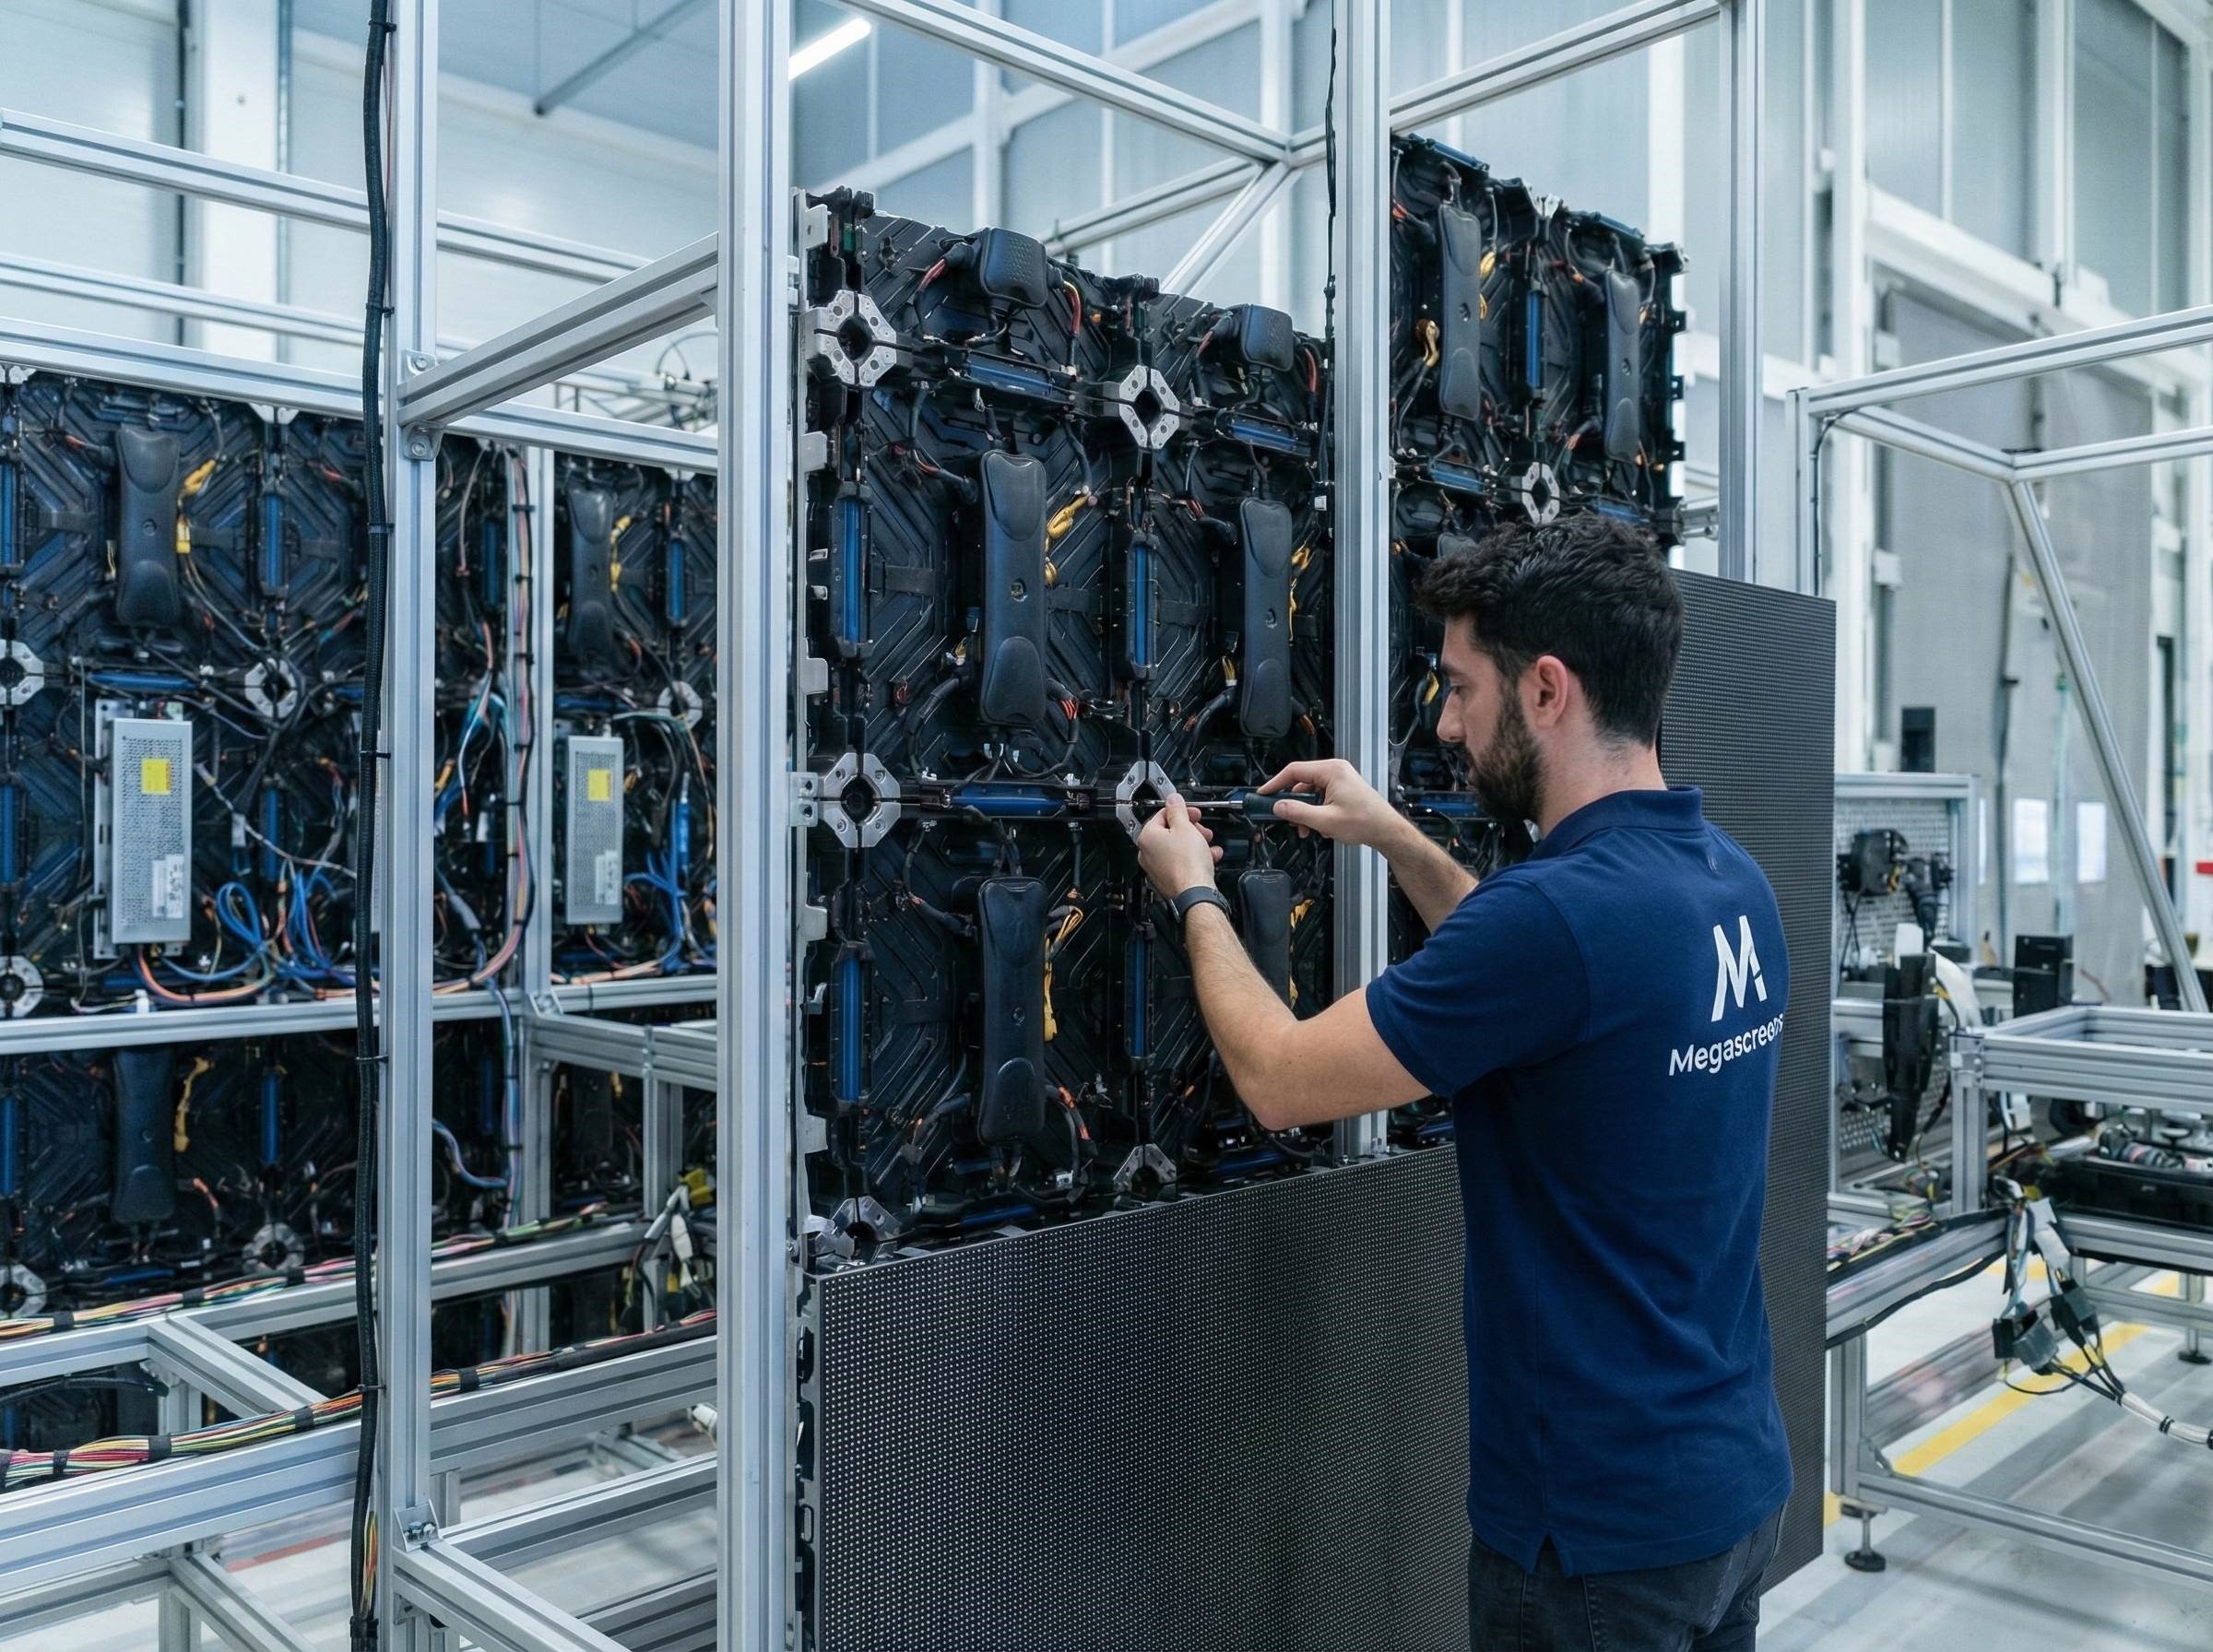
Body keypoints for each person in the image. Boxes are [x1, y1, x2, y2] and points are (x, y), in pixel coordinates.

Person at [1135, 512, 1791, 1652]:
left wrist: (1191, 889)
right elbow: (1547, 984)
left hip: (1594, 1542)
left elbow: (1280, 1079)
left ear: (1547, 691)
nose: (1445, 724)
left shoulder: (1558, 921)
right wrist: (1393, 837)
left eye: (1460, 687)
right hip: (1728, 1492)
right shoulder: (1728, 882)